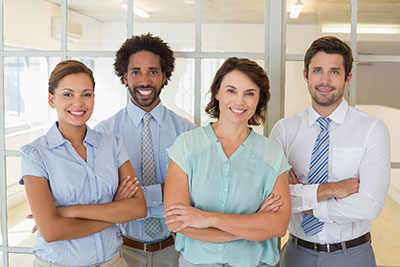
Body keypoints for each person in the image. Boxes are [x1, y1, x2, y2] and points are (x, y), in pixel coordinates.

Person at [270, 36, 390, 267]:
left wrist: (305, 200)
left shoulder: (372, 129)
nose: (325, 80)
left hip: (352, 255)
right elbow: (274, 200)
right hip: (297, 254)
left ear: (348, 78)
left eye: (334, 72)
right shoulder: (284, 131)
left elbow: (369, 205)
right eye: (317, 70)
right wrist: (332, 190)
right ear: (306, 75)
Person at [163, 57, 291, 267]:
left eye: (249, 94)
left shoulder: (272, 154)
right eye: (231, 90)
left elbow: (277, 226)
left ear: (260, 99)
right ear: (217, 92)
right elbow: (177, 222)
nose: (240, 101)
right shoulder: (186, 146)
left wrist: (208, 219)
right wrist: (250, 228)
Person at [20, 60, 147, 267]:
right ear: (52, 100)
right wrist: (115, 211)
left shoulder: (113, 145)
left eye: (86, 94)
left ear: (94, 98)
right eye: (68, 94)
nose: (78, 103)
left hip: (113, 262)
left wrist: (68, 211)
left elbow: (139, 208)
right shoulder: (36, 154)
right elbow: (51, 231)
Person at [95, 33, 196, 267]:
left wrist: (134, 197)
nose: (144, 81)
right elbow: (101, 196)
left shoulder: (188, 133)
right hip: (120, 250)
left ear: (164, 77)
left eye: (153, 71)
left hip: (176, 249)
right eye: (136, 72)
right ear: (124, 77)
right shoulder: (104, 134)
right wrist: (167, 191)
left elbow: (195, 189)